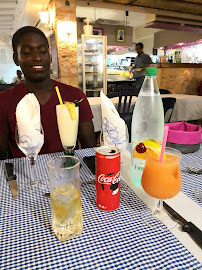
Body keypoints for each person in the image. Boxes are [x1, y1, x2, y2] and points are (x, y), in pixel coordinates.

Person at [0, 26, 96, 159]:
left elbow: (89, 149)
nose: (37, 57)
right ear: (16, 59)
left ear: (50, 57)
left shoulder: (76, 96)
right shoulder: (4, 101)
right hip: (25, 175)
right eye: (27, 52)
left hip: (67, 170)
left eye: (43, 51)